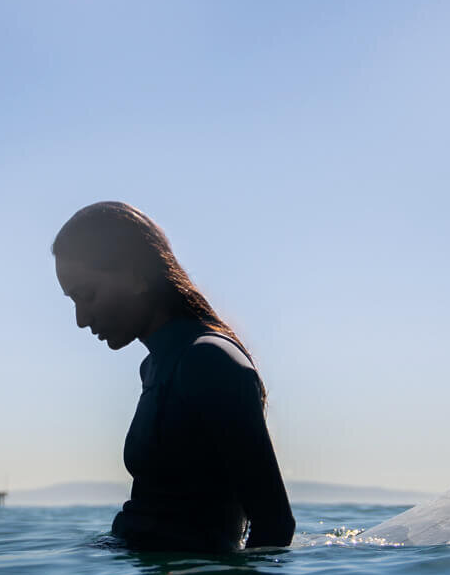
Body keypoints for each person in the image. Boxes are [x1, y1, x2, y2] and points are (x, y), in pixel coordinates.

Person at [53, 201, 294, 553]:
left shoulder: (208, 360)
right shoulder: (155, 366)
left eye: (87, 295)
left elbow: (275, 523)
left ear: (136, 275)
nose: (80, 319)